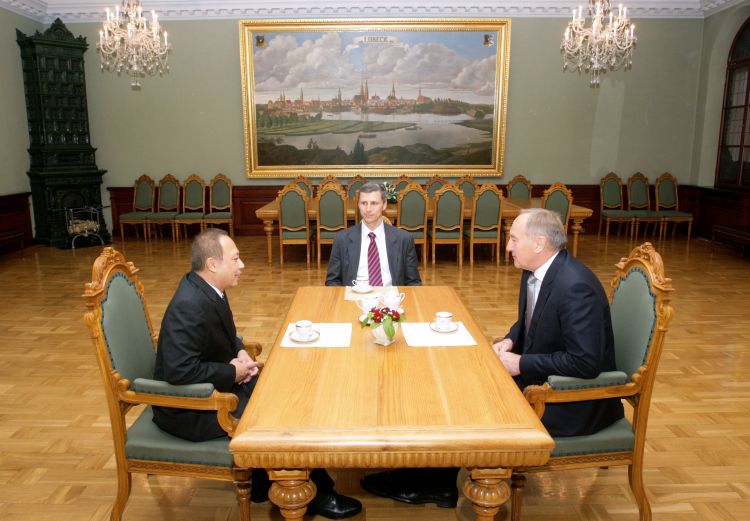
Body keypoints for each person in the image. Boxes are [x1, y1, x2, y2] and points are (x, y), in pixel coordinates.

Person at [360, 208, 623, 507]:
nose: (508, 246)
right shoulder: (537, 270)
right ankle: (427, 474)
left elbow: (585, 363)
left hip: (571, 403)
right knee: (457, 381)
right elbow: (531, 322)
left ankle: (434, 484)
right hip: (543, 378)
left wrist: (520, 363)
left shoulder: (575, 286)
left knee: (471, 404)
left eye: (514, 239)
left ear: (539, 243)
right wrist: (511, 339)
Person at [152, 228, 362, 519]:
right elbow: (179, 370)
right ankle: (316, 493)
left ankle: (265, 482)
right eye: (235, 259)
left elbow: (227, 336)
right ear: (212, 264)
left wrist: (239, 352)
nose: (242, 265)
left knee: (282, 393)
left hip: (213, 387)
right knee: (281, 417)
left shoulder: (208, 288)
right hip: (188, 409)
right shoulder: (189, 304)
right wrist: (232, 372)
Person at [325, 182, 421, 287]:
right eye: (363, 203)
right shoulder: (341, 239)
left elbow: (413, 283)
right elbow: (332, 281)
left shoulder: (404, 239)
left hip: (390, 295)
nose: (368, 209)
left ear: (384, 205)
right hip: (354, 294)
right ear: (358, 205)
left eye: (374, 203)